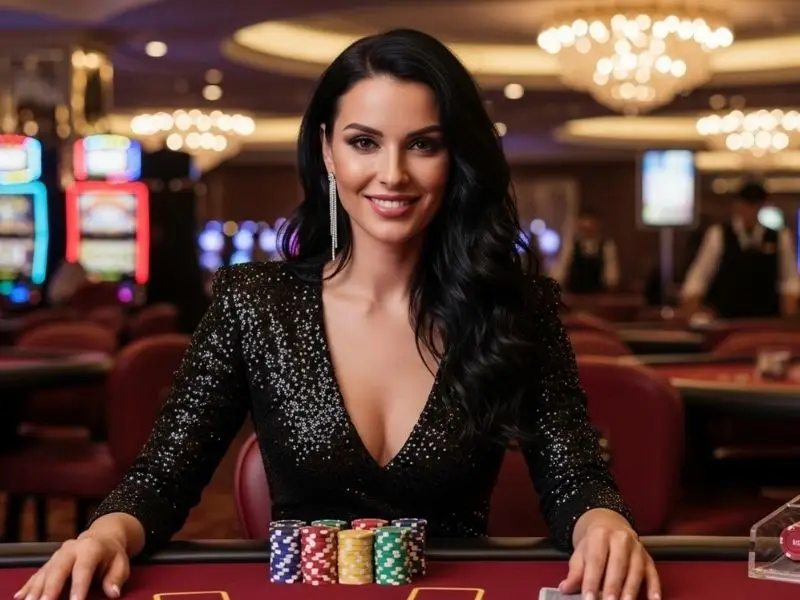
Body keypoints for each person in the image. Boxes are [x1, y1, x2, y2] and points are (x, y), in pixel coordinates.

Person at [17, 29, 659, 600]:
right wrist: (105, 534)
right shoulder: (253, 304)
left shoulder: (514, 307)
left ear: (456, 157)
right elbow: (163, 477)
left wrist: (602, 521)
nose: (392, 174)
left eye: (423, 145)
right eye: (364, 142)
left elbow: (575, 476)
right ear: (328, 150)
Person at [681, 182, 799, 319]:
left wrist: (790, 311)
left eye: (755, 206)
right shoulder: (719, 235)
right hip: (725, 317)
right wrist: (692, 305)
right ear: (737, 206)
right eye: (747, 205)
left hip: (767, 317)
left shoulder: (779, 237)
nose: (751, 211)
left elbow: (789, 279)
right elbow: (699, 277)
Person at [551, 211, 620, 294]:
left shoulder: (606, 246)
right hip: (573, 295)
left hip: (598, 296)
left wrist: (611, 283)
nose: (587, 229)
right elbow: (561, 269)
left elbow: (611, 276)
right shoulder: (570, 245)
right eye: (583, 227)